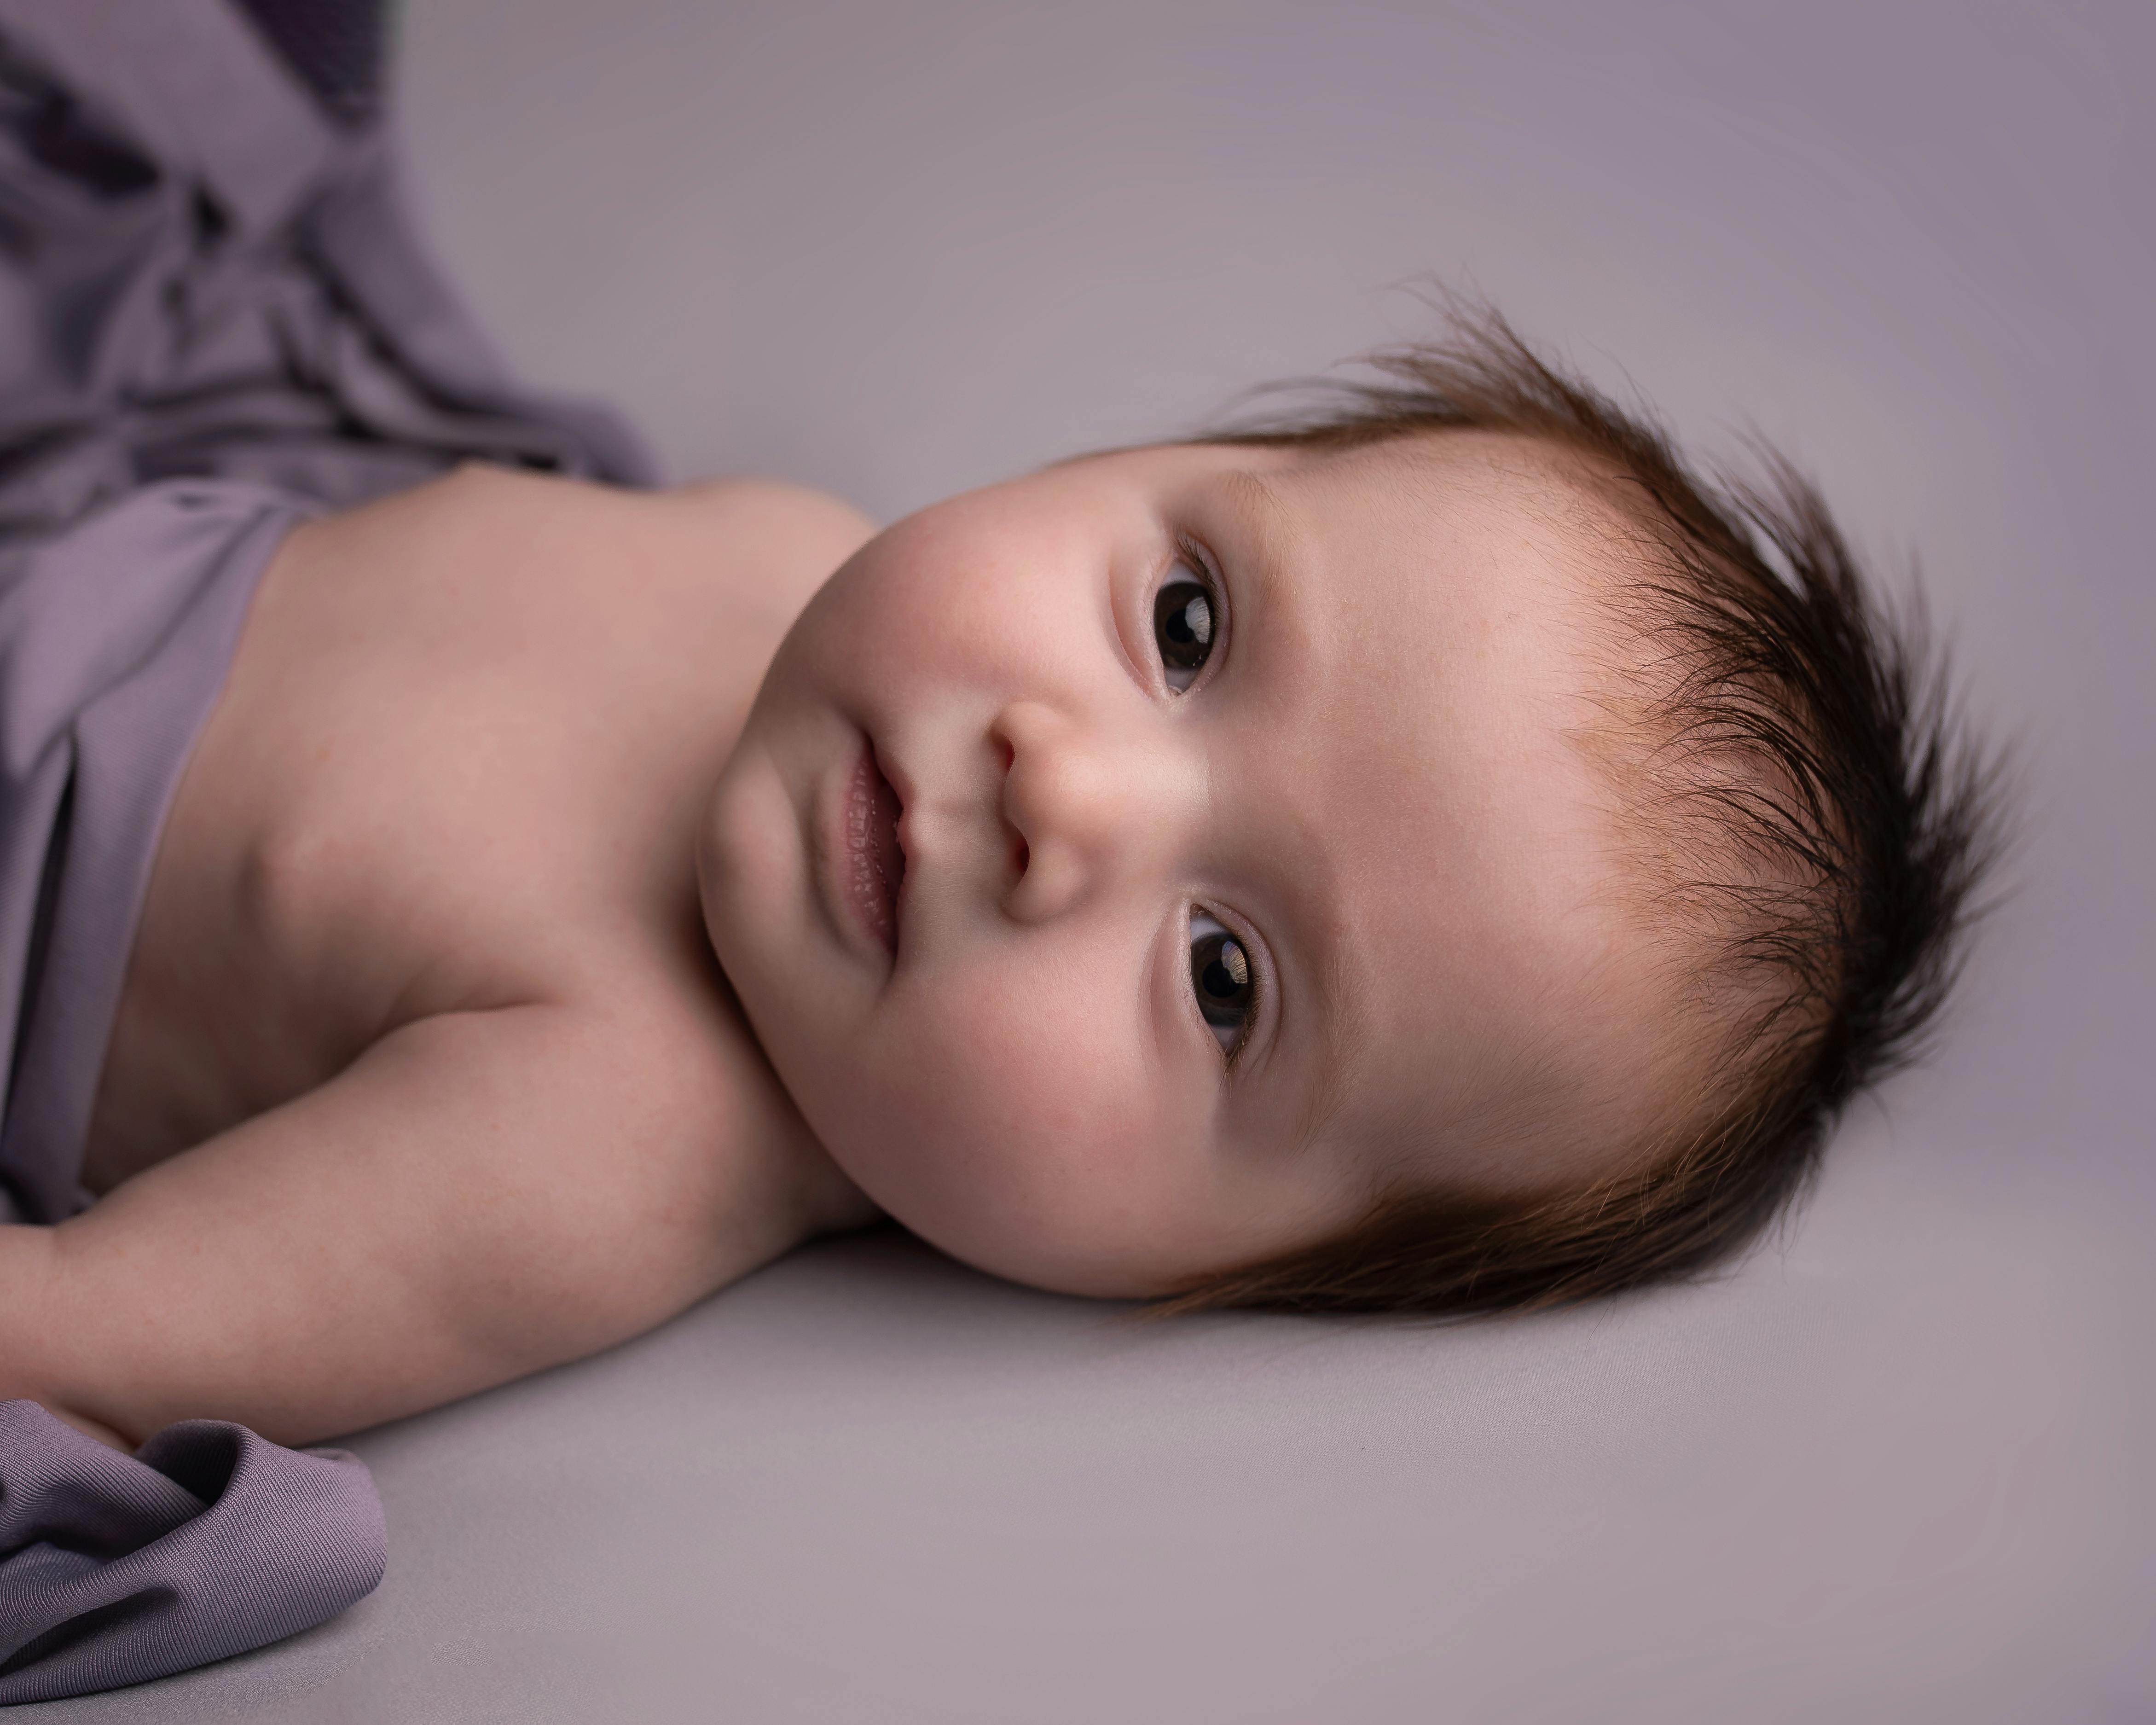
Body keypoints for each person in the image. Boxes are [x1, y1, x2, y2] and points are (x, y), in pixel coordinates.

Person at [0, 0, 2000, 1461]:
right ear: (1151, 451)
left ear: (1195, 1269)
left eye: (1226, 980)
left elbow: (87, 1328)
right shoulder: (789, 549)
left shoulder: (615, 1136)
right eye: (1186, 622)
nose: (1071, 794)